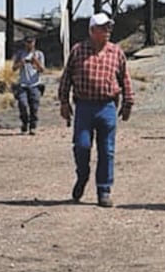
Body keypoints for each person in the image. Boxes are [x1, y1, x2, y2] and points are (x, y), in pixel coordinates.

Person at [58, 13, 135, 208]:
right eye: (103, 27)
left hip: (107, 106)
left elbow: (125, 78)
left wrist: (128, 102)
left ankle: (104, 190)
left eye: (109, 27)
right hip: (84, 106)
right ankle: (82, 176)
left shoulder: (116, 52)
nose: (107, 31)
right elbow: (67, 78)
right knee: (82, 146)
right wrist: (64, 103)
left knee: (106, 150)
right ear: (92, 31)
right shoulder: (78, 51)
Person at [12, 35, 45, 135]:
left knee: (34, 107)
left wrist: (35, 62)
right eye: (27, 42)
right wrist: (21, 63)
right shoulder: (20, 54)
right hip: (23, 84)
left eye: (31, 42)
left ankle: (33, 126)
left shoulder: (39, 54)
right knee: (23, 104)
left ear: (34, 42)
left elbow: (42, 69)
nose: (29, 44)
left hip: (35, 84)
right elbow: (13, 68)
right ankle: (24, 123)